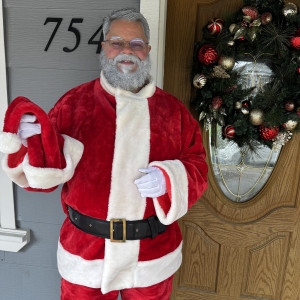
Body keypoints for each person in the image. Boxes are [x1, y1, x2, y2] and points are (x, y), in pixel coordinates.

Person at [0, 8, 208, 300]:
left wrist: (171, 179)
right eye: (117, 42)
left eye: (136, 44)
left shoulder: (174, 112)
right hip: (86, 253)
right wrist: (29, 142)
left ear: (147, 50)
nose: (127, 51)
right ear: (103, 47)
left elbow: (197, 165)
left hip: (150, 255)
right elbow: (40, 178)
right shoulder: (73, 104)